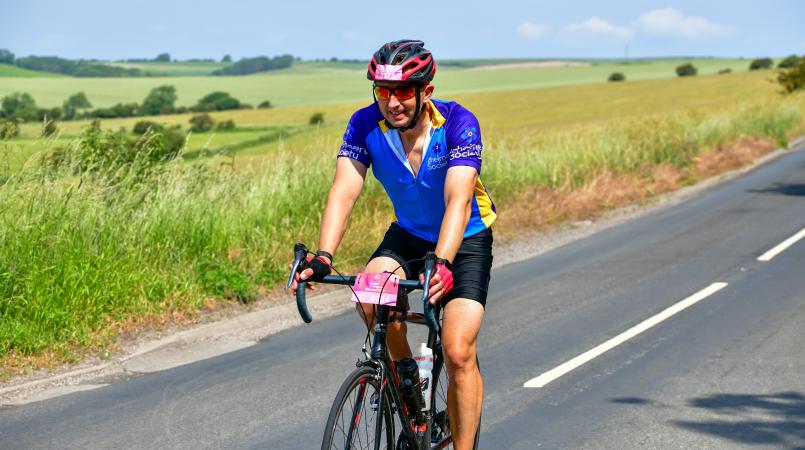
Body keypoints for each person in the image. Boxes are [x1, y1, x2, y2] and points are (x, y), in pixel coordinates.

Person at [292, 39, 495, 450]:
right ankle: (407, 387)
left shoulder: (458, 123)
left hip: (465, 238)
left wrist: (442, 261)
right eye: (383, 91)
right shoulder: (364, 124)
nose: (392, 102)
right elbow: (344, 190)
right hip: (408, 235)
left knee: (457, 351)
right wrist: (324, 255)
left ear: (427, 92)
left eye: (403, 91)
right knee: (368, 297)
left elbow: (459, 199)